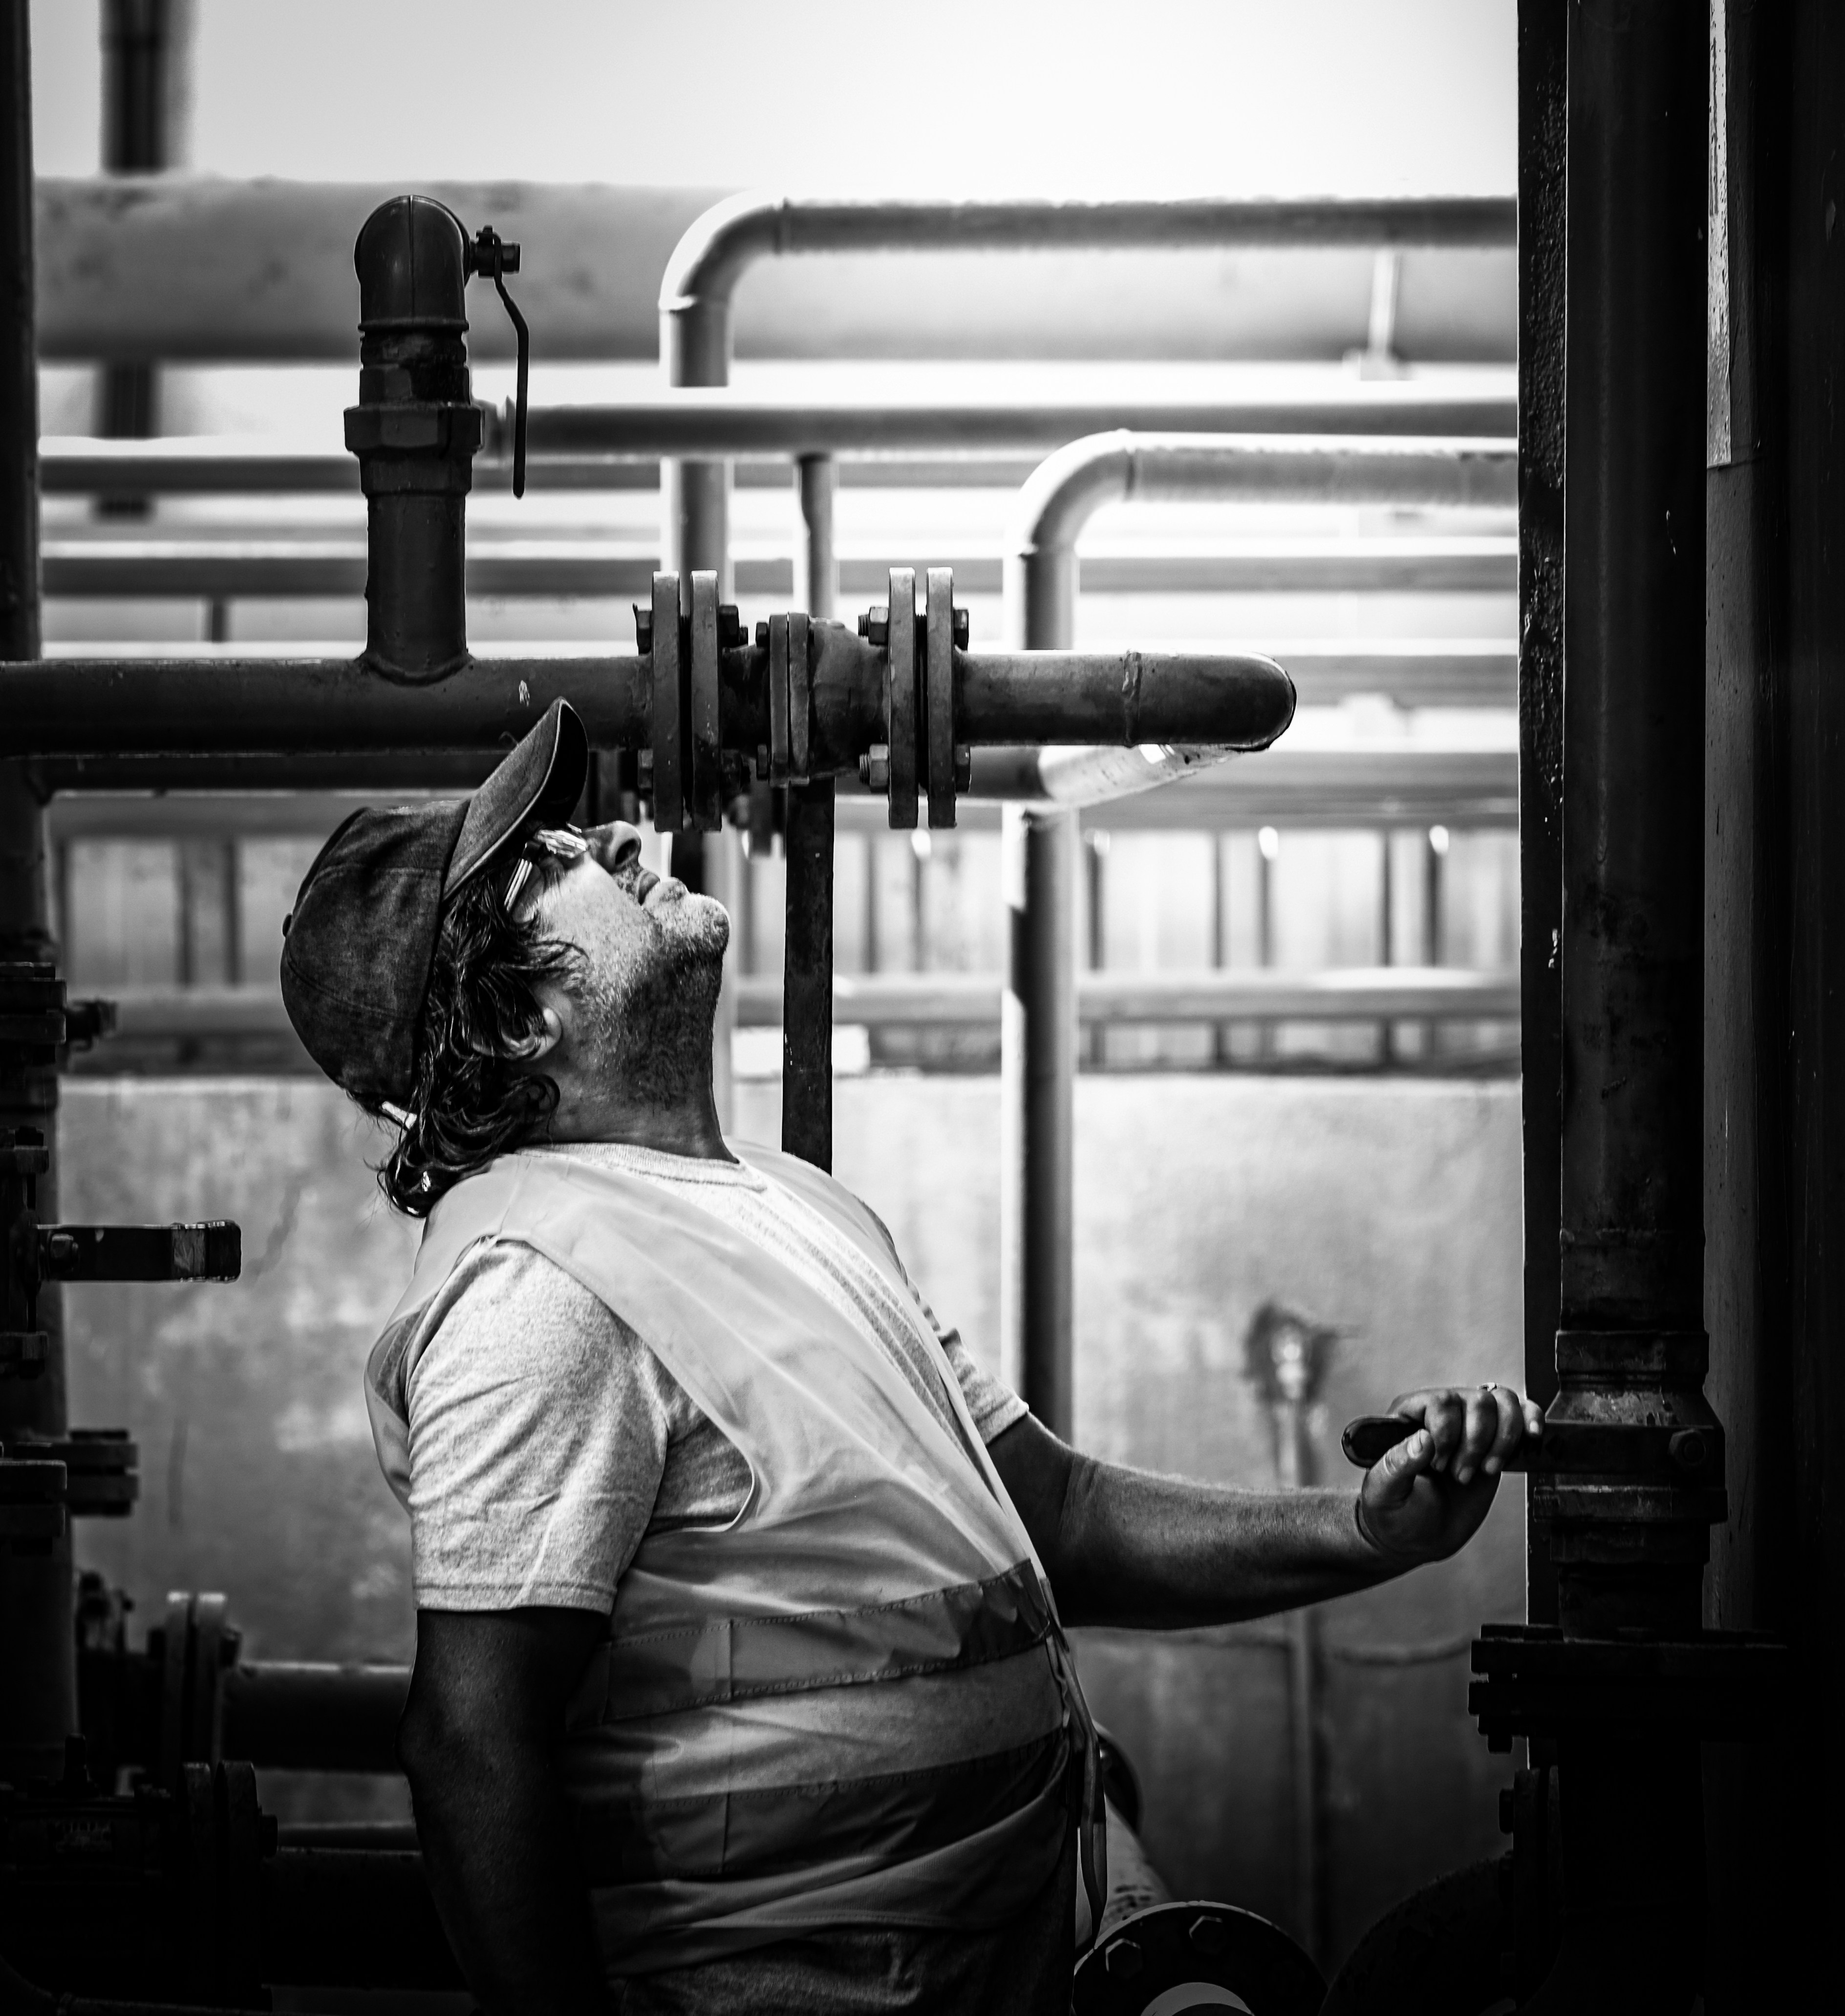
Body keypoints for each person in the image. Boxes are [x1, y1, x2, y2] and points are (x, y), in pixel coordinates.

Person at [280, 700, 1541, 2016]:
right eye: (552, 862)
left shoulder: (797, 1208)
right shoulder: (539, 1287)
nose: (608, 835)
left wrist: (1369, 1531)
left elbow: (1061, 1518)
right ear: (518, 1019)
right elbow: (473, 1739)